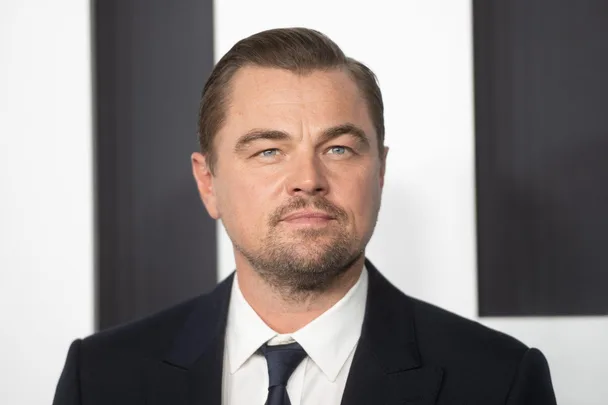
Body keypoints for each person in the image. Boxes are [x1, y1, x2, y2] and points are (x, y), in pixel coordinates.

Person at [53, 27, 557, 405]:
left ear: (379, 173)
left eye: (338, 148)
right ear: (209, 183)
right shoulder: (99, 378)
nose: (308, 179)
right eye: (269, 151)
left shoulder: (499, 382)